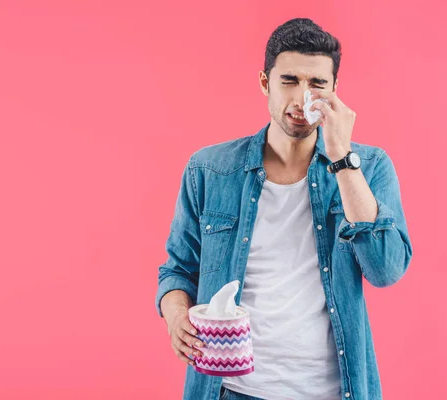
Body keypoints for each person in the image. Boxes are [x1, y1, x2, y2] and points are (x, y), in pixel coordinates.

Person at [155, 18, 412, 400]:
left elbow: (386, 269)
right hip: (230, 389)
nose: (301, 99)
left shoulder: (369, 167)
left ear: (335, 90)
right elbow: (177, 271)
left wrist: (341, 157)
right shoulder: (209, 170)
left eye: (316, 84)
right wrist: (178, 318)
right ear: (265, 82)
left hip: (331, 391)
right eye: (288, 80)